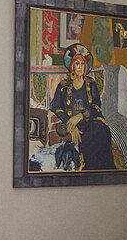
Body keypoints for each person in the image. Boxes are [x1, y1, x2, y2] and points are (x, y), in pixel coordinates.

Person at [49, 43, 115, 171]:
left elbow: (96, 106)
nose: (80, 67)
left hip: (90, 122)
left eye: (83, 63)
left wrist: (80, 115)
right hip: (71, 124)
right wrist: (70, 123)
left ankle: (102, 170)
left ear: (86, 66)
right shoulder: (63, 85)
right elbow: (55, 106)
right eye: (77, 63)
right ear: (72, 65)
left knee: (101, 129)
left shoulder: (91, 83)